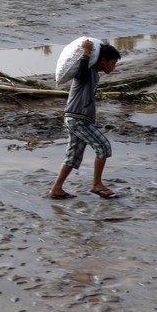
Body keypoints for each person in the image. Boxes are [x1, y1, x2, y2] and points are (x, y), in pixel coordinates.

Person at [49, 39, 121, 200]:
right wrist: (86, 52)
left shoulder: (94, 74)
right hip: (77, 119)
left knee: (73, 155)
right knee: (103, 146)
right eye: (113, 62)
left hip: (78, 119)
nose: (114, 66)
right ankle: (97, 184)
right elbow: (80, 74)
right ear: (103, 61)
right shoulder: (86, 71)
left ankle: (56, 189)